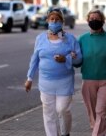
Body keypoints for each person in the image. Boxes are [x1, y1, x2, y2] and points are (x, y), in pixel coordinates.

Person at [24, 8, 82, 136]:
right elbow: (34, 60)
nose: (54, 21)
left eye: (57, 19)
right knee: (48, 112)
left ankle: (65, 133)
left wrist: (66, 59)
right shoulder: (40, 38)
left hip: (64, 82)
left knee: (62, 110)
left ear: (62, 22)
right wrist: (29, 78)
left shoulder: (70, 39)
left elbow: (79, 59)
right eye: (52, 19)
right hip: (46, 83)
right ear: (47, 21)